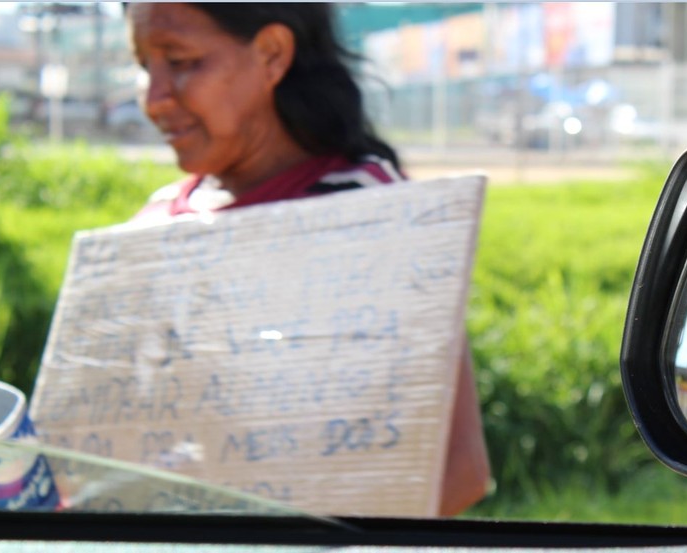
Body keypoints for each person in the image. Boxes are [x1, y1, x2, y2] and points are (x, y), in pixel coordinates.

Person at [125, 2, 490, 516]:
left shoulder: (374, 216)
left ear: (272, 54)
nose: (154, 100)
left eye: (181, 62)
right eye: (144, 67)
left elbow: (457, 471)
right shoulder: (152, 225)